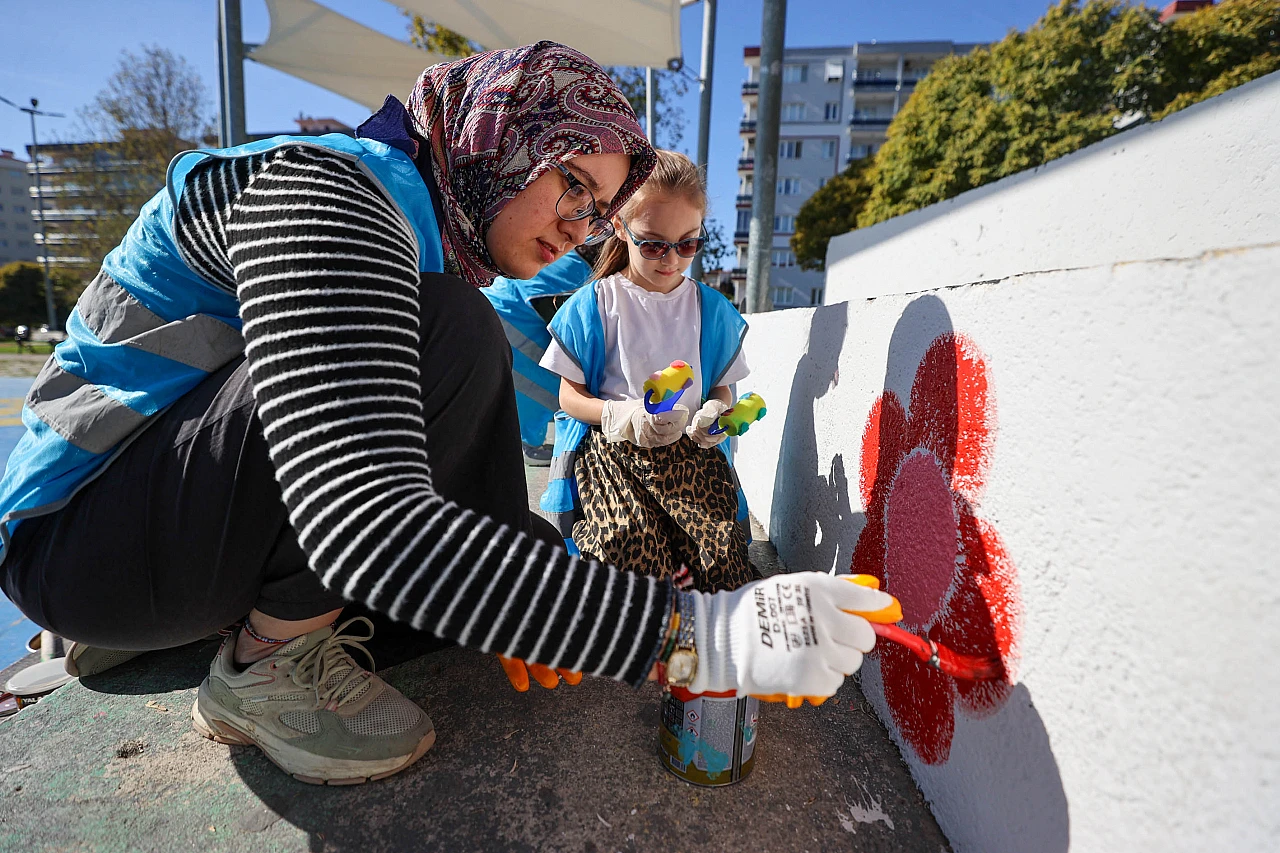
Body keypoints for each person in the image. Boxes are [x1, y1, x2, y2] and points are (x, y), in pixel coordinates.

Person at [0, 43, 894, 785]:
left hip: (155, 521)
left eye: (598, 213)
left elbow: (440, 487)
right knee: (450, 327)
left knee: (456, 357)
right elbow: (363, 521)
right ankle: (265, 665)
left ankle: (211, 614)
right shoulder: (327, 195)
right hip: (76, 538)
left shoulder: (423, 237)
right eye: (571, 182)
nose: (578, 228)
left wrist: (545, 582)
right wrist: (699, 640)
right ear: (499, 133)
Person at [538, 150, 753, 593]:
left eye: (687, 244)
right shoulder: (594, 305)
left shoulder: (711, 310)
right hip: (613, 455)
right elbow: (568, 396)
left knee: (718, 563)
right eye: (653, 244)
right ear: (619, 224)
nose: (671, 260)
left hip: (692, 457)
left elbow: (722, 389)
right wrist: (620, 415)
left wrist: (716, 413)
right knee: (628, 549)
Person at [482, 249, 595, 466]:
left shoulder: (567, 258)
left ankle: (524, 441)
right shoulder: (578, 274)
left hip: (492, 311)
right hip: (505, 328)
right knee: (555, 378)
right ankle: (525, 443)